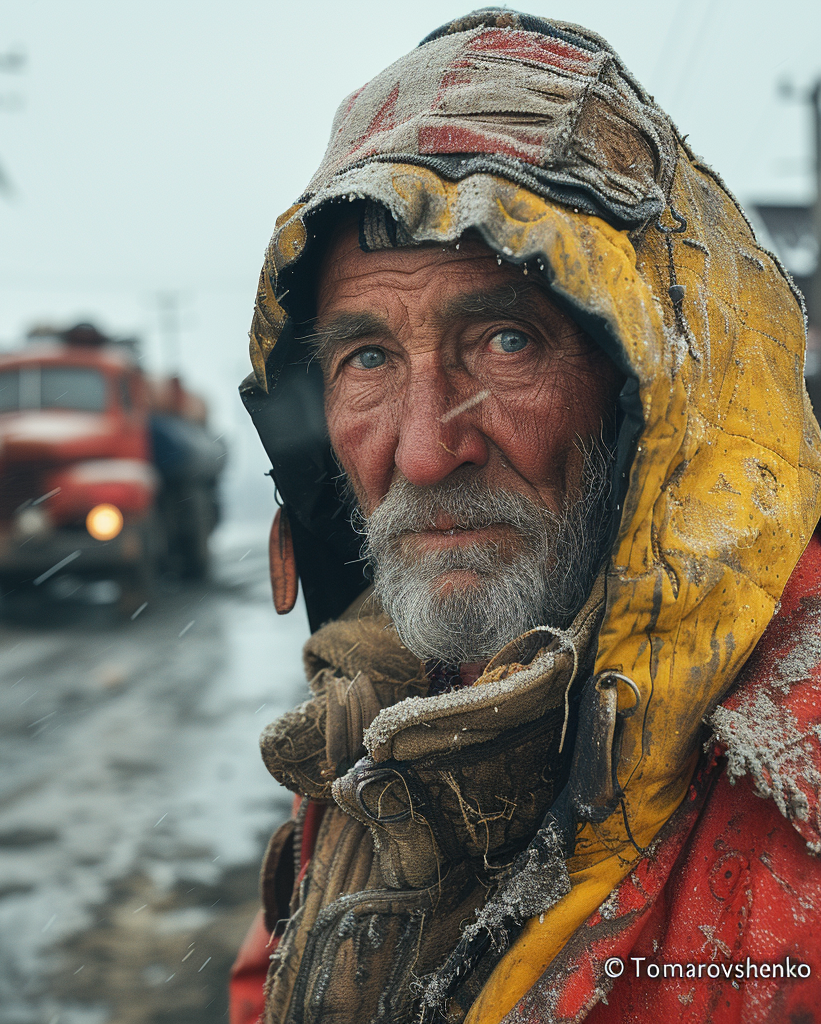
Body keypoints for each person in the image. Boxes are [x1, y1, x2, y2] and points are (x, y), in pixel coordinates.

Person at [229, 10, 821, 1023]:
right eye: (366, 357)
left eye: (504, 342)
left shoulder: (791, 787)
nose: (422, 449)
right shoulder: (377, 709)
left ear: (653, 400)